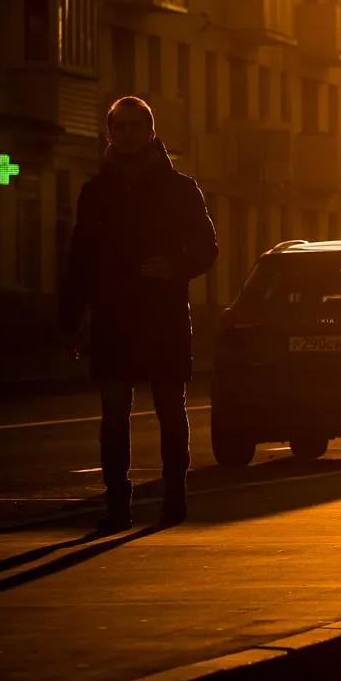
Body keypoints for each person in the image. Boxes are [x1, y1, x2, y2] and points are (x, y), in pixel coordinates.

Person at [60, 97, 218, 530]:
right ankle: (116, 505)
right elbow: (78, 259)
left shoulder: (180, 188)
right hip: (113, 318)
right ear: (109, 133)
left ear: (151, 131)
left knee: (170, 408)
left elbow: (207, 247)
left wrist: (175, 268)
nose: (128, 133)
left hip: (163, 316)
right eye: (120, 126)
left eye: (137, 125)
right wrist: (70, 322)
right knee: (113, 413)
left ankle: (175, 496)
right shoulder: (96, 191)